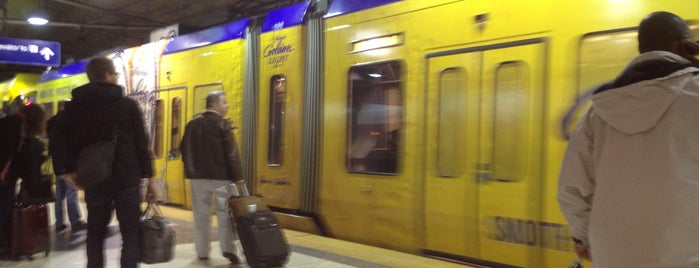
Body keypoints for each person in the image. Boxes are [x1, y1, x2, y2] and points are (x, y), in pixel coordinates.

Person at [558, 11, 699, 267]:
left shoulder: (597, 111)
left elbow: (571, 190)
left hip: (612, 256)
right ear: (683, 44)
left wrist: (585, 237)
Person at [51, 57, 153, 268]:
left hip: (94, 177)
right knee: (130, 235)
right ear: (107, 75)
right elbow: (141, 143)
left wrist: (65, 169)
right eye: (115, 73)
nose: (117, 77)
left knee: (95, 233)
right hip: (126, 177)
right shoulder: (128, 105)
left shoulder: (75, 107)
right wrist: (149, 177)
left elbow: (58, 136)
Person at [180, 90, 244, 264]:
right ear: (215, 105)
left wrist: (191, 170)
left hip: (198, 179)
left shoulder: (192, 124)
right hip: (222, 178)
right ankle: (228, 250)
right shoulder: (223, 124)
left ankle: (202, 252)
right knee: (225, 215)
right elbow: (231, 153)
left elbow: (183, 149)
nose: (227, 106)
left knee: (201, 215)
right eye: (224, 102)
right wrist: (238, 177)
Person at [0, 103, 47, 256]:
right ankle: (4, 245)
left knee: (6, 206)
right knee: (4, 208)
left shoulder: (13, 121)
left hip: (7, 176)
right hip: (4, 175)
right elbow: (12, 149)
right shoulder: (16, 124)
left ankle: (6, 243)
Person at [47, 99, 86, 233]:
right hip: (68, 165)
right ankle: (75, 222)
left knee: (60, 194)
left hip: (58, 164)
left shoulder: (52, 122)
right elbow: (70, 146)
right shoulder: (68, 124)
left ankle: (59, 222)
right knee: (71, 193)